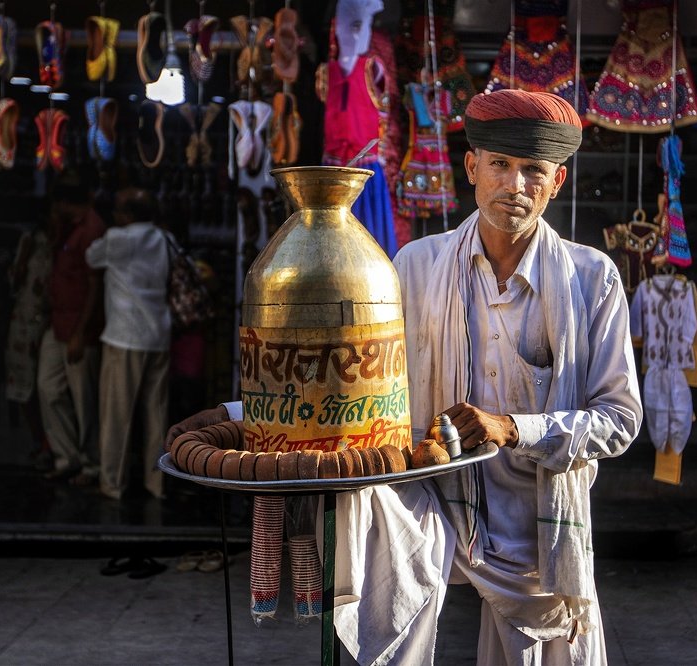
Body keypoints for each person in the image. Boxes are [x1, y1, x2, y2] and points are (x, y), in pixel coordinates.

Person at [165, 89, 642, 665]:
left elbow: (619, 421)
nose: (515, 187)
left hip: (540, 522)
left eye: (533, 172)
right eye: (500, 165)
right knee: (359, 509)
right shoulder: (415, 265)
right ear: (472, 168)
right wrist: (272, 415)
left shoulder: (592, 280)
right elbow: (369, 387)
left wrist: (513, 428)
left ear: (556, 182)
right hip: (434, 499)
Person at [86, 187, 171, 500]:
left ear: (128, 215)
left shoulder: (119, 239)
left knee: (117, 415)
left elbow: (90, 256)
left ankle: (112, 483)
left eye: (120, 210)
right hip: (158, 336)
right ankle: (156, 482)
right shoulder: (164, 239)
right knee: (156, 414)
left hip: (125, 336)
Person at [37, 171, 106, 485]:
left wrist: (81, 333)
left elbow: (95, 285)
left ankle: (90, 464)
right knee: (48, 388)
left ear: (65, 202)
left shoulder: (92, 229)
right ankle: (67, 456)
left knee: (84, 398)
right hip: (58, 323)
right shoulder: (66, 227)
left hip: (80, 328)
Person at [4, 210, 52, 469]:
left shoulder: (61, 243)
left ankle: (49, 443)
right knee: (24, 385)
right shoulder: (30, 241)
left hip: (49, 322)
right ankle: (38, 441)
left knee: (48, 386)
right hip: (23, 321)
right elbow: (15, 280)